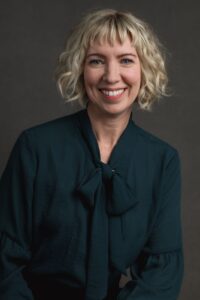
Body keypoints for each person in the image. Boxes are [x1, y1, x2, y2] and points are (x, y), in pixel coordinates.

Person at [0, 8, 184, 300]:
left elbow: (162, 273)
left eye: (126, 60)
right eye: (96, 61)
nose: (112, 76)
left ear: (144, 69)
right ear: (80, 69)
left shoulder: (162, 161)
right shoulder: (35, 147)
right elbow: (4, 260)